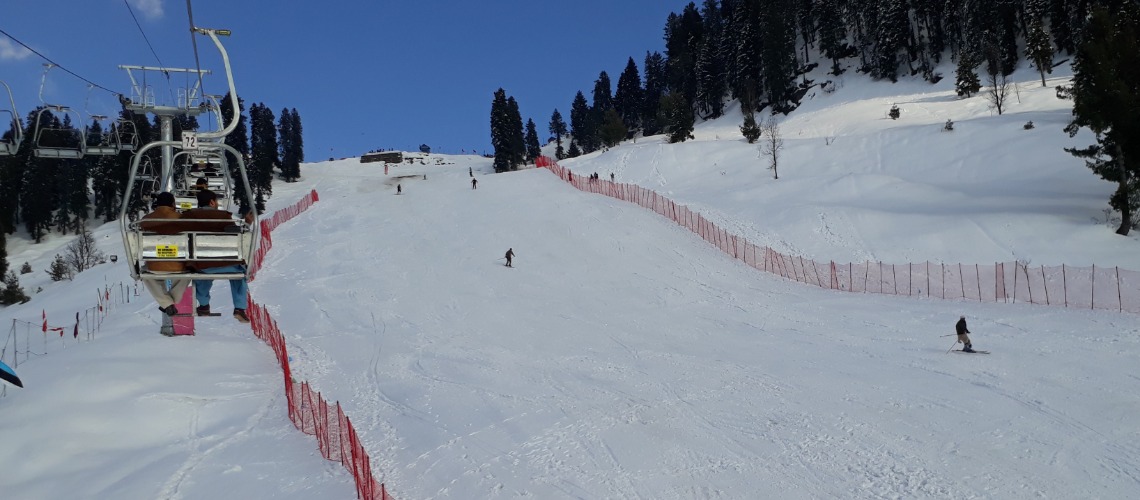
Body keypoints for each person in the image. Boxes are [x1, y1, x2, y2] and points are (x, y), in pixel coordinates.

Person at [177, 189, 251, 323]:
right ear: (212, 202)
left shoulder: (188, 216)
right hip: (227, 264)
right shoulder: (223, 216)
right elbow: (235, 235)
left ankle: (204, 305)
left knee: (201, 277)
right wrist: (247, 224)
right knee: (239, 276)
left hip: (201, 265)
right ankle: (239, 308)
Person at [139, 192, 191, 317]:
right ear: (173, 204)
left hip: (155, 265)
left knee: (146, 274)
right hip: (179, 266)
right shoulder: (183, 219)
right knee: (188, 272)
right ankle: (172, 301)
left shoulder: (146, 220)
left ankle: (167, 303)